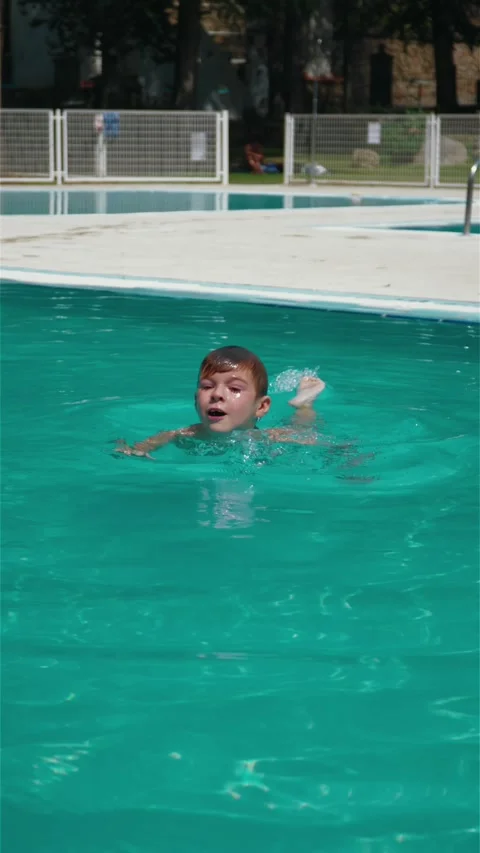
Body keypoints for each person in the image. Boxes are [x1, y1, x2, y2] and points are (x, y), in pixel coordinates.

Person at [114, 345, 325, 459]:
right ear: (196, 400)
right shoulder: (187, 434)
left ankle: (305, 403)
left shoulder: (270, 439)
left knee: (302, 424)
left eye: (234, 389)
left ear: (261, 407)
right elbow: (159, 439)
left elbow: (327, 445)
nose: (217, 394)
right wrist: (138, 449)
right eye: (207, 386)